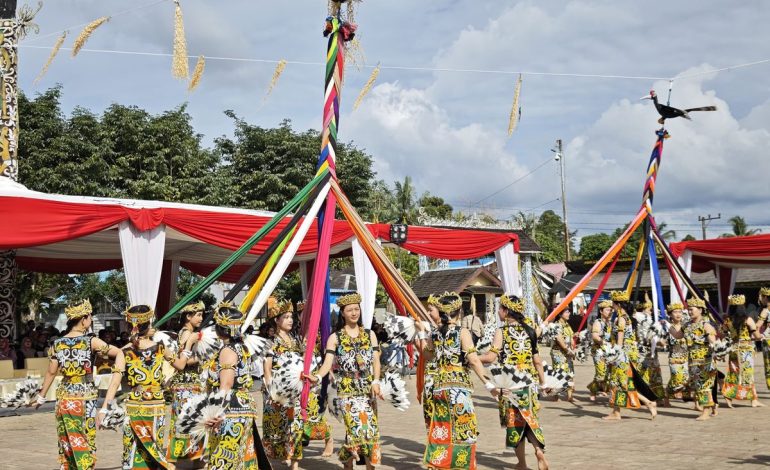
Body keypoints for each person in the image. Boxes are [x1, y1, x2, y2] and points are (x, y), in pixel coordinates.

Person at [33, 300, 125, 470]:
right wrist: (118, 372)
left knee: (68, 440)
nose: (90, 320)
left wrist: (41, 396)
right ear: (84, 319)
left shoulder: (57, 344)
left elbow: (51, 372)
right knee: (85, 439)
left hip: (64, 398)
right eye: (89, 317)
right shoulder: (91, 341)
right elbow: (118, 353)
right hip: (85, 397)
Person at [414, 291, 491, 470]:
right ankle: (460, 466)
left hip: (439, 389)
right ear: (459, 311)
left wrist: (420, 335)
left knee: (442, 429)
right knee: (464, 430)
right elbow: (472, 360)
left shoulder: (435, 333)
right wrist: (488, 383)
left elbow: (426, 355)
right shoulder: (461, 332)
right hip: (458, 389)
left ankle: (438, 464)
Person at [307, 292, 382, 470]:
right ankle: (355, 464)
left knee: (369, 429)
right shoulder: (335, 337)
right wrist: (317, 377)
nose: (354, 313)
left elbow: (376, 360)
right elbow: (327, 363)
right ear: (342, 312)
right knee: (357, 429)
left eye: (357, 309)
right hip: (346, 389)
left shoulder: (370, 334)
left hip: (367, 388)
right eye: (350, 310)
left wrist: (376, 381)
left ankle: (359, 466)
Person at [263, 298, 333, 469]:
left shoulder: (296, 341)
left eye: (291, 317)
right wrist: (270, 389)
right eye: (285, 317)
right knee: (279, 426)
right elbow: (267, 369)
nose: (290, 320)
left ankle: (298, 459)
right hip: (277, 391)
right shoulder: (271, 342)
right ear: (276, 321)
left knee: (298, 424)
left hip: (297, 390)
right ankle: (286, 453)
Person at [483, 294, 550, 470]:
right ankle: (539, 451)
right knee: (530, 419)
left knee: (515, 423)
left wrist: (472, 357)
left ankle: (522, 463)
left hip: (511, 385)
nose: (498, 311)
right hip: (529, 384)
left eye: (500, 308)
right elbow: (537, 361)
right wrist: (543, 384)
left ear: (506, 311)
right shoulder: (529, 330)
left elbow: (491, 357)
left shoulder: (502, 331)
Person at [121, 305, 172, 469]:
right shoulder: (161, 348)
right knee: (154, 444)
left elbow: (116, 379)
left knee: (133, 444)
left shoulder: (125, 351)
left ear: (130, 325)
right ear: (149, 323)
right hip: (156, 403)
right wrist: (187, 347)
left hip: (135, 402)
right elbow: (180, 364)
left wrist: (105, 406)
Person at [603, 291, 657, 420]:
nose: (612, 307)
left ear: (618, 305)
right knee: (617, 383)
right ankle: (616, 412)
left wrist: (614, 354)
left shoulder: (621, 319)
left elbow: (620, 340)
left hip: (621, 356)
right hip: (627, 354)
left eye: (613, 305)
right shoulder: (628, 318)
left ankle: (648, 402)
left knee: (622, 383)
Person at [166, 301, 206, 466]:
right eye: (198, 315)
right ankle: (178, 459)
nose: (201, 318)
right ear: (188, 316)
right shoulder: (186, 333)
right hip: (185, 384)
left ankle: (196, 458)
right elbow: (181, 360)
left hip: (191, 383)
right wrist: (201, 357)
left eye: (202, 314)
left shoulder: (190, 332)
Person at [677, 296, 718, 420]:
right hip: (692, 361)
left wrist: (712, 341)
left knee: (703, 386)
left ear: (700, 310)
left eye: (692, 309)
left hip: (705, 361)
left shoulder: (706, 325)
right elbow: (678, 335)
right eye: (688, 309)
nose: (689, 311)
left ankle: (705, 412)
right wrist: (670, 325)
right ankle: (713, 406)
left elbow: (713, 341)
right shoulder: (687, 325)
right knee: (698, 386)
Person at [721, 294, 764, 407]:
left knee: (733, 373)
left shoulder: (728, 320)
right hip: (746, 350)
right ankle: (753, 400)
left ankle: (729, 397)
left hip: (734, 349)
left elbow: (722, 333)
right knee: (748, 374)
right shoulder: (748, 319)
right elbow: (757, 335)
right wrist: (762, 336)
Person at [416, 294, 442, 428]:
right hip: (435, 377)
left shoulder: (438, 331)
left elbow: (427, 354)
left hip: (436, 378)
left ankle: (437, 443)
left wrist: (421, 333)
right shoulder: (436, 330)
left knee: (435, 412)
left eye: (431, 309)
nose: (428, 312)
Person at [634, 300, 665, 402]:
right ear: (643, 310)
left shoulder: (652, 321)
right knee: (643, 374)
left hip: (651, 352)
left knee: (655, 374)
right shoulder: (639, 319)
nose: (651, 312)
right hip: (641, 351)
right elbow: (647, 337)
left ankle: (658, 397)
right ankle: (643, 398)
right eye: (649, 310)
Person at [664, 302, 689, 407]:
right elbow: (660, 340)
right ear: (670, 314)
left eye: (680, 312)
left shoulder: (687, 326)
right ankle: (666, 395)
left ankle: (696, 403)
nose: (678, 314)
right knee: (677, 379)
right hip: (674, 357)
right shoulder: (667, 327)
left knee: (689, 381)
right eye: (675, 312)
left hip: (687, 357)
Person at [588, 300, 613, 401]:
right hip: (599, 351)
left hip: (608, 351)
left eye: (611, 310)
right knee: (601, 373)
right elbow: (594, 336)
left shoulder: (610, 323)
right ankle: (593, 391)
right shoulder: (598, 322)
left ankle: (597, 391)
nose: (610, 312)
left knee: (607, 373)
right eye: (607, 310)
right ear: (601, 311)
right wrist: (604, 342)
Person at [550, 308, 575, 402]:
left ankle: (570, 396)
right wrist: (568, 350)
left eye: (569, 311)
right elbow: (559, 340)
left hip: (567, 352)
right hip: (558, 352)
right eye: (567, 312)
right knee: (559, 373)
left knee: (570, 372)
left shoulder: (568, 325)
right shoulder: (555, 326)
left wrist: (572, 349)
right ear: (560, 314)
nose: (569, 313)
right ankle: (555, 395)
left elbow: (571, 338)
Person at [757, 287, 770, 389]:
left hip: (768, 340)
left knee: (768, 365)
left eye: (761, 296)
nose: (760, 299)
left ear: (765, 297)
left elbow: (757, 325)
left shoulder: (766, 310)